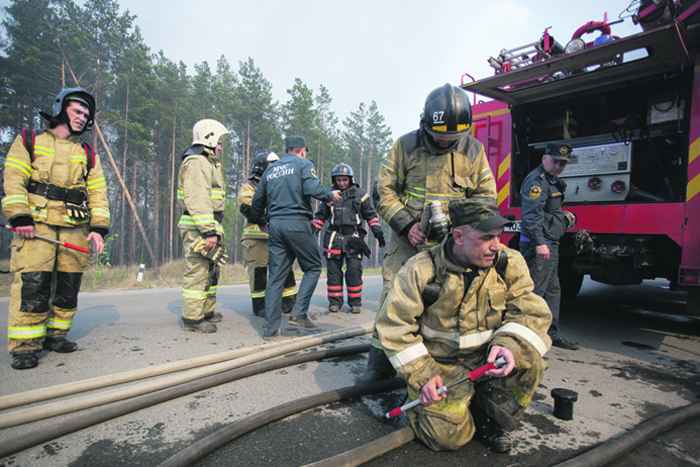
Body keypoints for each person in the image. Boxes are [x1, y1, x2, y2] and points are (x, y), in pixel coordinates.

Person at [375, 198, 551, 453]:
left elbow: (529, 310)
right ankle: (432, 403)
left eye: (499, 236)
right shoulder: (421, 270)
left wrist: (509, 345)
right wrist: (421, 376)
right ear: (458, 236)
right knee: (446, 438)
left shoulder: (507, 263)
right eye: (487, 237)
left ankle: (487, 415)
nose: (496, 246)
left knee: (529, 362)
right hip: (440, 368)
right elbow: (394, 326)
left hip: (489, 363)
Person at [358, 83, 498, 383]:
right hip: (408, 243)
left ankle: (434, 365)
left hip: (451, 245)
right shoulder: (406, 145)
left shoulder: (473, 150)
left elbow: (486, 198)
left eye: (453, 138)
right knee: (392, 300)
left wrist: (456, 223)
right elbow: (382, 190)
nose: (446, 142)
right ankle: (378, 368)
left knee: (449, 302)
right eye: (439, 136)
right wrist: (407, 225)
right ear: (425, 123)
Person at [2, 87, 110, 370]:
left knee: (68, 286)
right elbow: (13, 181)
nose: (82, 117)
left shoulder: (87, 153)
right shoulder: (29, 140)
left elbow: (98, 193)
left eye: (86, 114)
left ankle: (56, 336)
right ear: (61, 108)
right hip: (36, 226)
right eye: (77, 111)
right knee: (33, 286)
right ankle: (25, 347)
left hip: (74, 227)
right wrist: (19, 217)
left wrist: (98, 228)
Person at [251, 135, 341, 341]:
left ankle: (270, 329)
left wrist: (261, 220)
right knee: (313, 267)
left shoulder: (270, 170)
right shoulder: (303, 164)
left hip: (275, 225)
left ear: (285, 151)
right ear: (303, 151)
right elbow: (312, 189)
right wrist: (330, 195)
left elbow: (257, 201)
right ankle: (298, 313)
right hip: (297, 223)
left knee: (275, 277)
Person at [519, 143, 579, 350]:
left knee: (553, 291)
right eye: (554, 161)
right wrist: (539, 243)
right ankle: (523, 337)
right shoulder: (537, 181)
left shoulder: (552, 181)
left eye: (563, 163)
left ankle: (552, 334)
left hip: (550, 244)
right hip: (540, 245)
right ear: (544, 158)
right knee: (535, 292)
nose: (558, 166)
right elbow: (530, 215)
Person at [177, 119, 229, 334]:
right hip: (199, 226)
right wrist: (208, 230)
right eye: (219, 142)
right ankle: (192, 319)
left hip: (208, 225)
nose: (220, 147)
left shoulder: (207, 163)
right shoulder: (197, 161)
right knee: (198, 271)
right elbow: (198, 198)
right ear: (210, 138)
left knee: (211, 270)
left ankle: (206, 312)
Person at [313, 163, 385, 314]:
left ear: (350, 179)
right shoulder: (329, 195)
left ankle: (355, 302)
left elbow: (370, 215)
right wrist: (314, 231)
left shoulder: (361, 194)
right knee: (333, 271)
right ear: (335, 180)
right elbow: (321, 215)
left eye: (344, 180)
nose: (342, 183)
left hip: (354, 237)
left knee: (354, 270)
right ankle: (335, 302)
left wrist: (377, 230)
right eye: (339, 180)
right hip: (333, 237)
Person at [238, 150, 297, 317]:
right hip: (257, 238)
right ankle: (261, 306)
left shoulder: (281, 184)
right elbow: (247, 207)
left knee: (285, 270)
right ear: (261, 167)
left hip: (280, 237)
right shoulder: (250, 186)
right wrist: (271, 213)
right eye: (272, 165)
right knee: (259, 273)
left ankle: (289, 303)